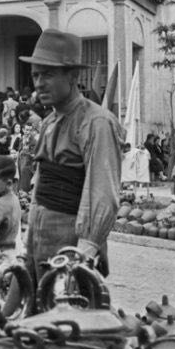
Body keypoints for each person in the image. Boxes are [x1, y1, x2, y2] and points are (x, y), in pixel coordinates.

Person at [19, 28, 125, 283]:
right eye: (35, 75)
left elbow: (103, 194)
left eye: (48, 74)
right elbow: (40, 185)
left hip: (71, 246)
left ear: (73, 76)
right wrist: (28, 240)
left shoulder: (96, 122)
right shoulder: (49, 122)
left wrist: (84, 253)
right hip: (40, 239)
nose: (39, 84)